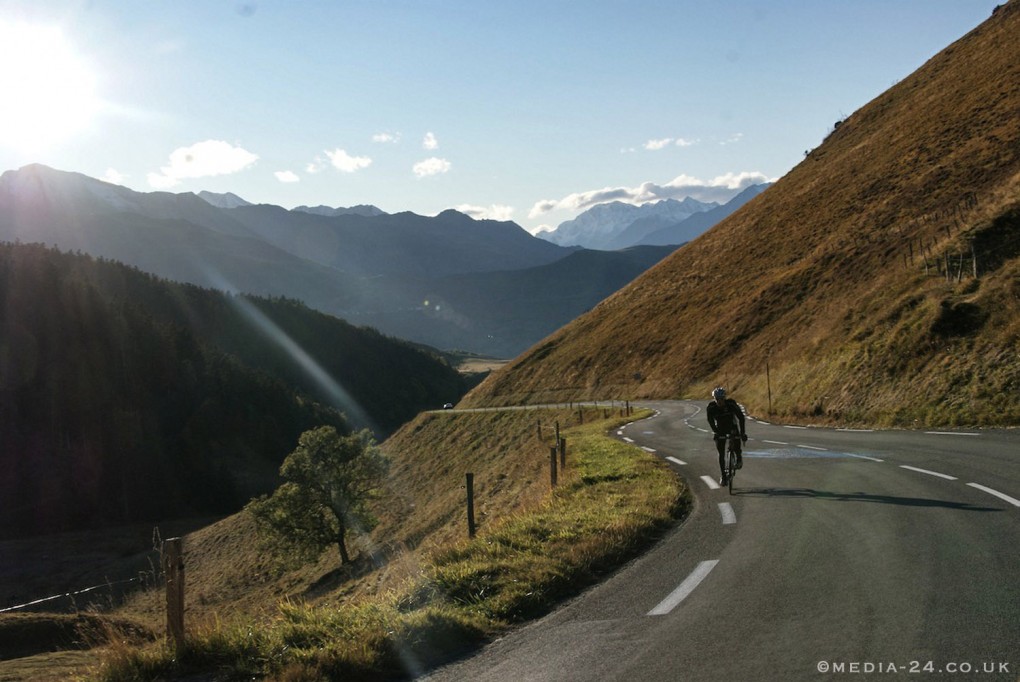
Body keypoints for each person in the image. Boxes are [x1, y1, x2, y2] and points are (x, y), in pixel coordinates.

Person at [707, 387, 747, 485]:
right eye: (717, 399)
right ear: (714, 399)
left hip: (731, 426)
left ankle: (738, 457)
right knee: (721, 453)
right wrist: (715, 432)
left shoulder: (731, 404)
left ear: (724, 398)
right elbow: (711, 421)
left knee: (736, 440)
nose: (719, 402)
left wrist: (742, 433)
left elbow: (741, 418)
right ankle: (723, 476)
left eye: (721, 399)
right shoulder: (711, 407)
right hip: (720, 429)